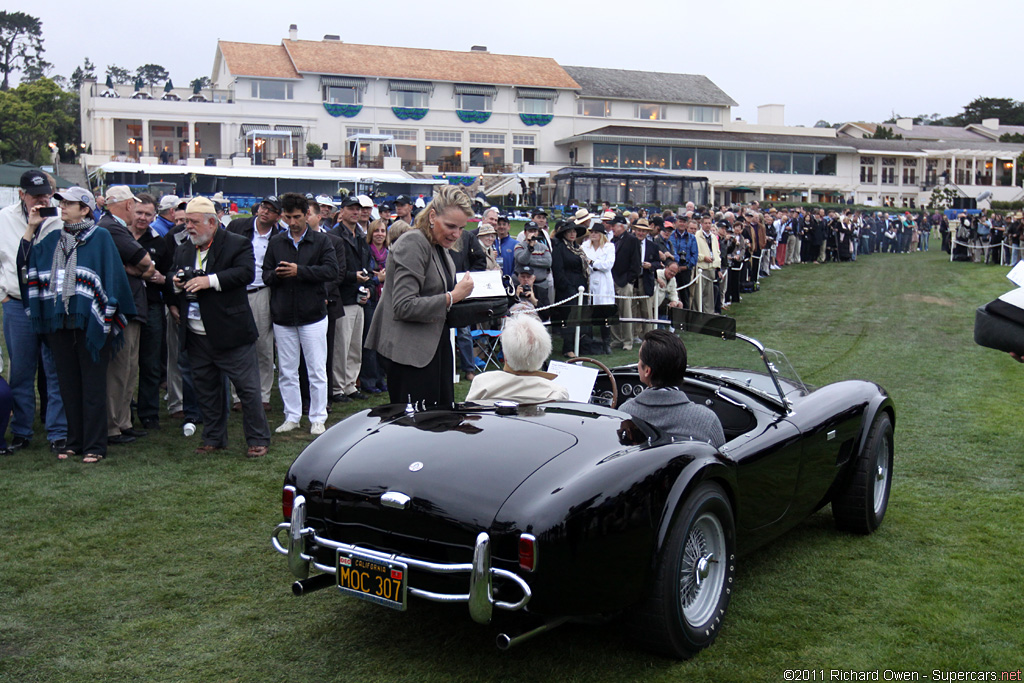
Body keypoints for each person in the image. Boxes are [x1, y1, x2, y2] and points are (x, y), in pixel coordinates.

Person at [18, 186, 136, 463]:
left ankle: (95, 445)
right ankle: (74, 441)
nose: (62, 207)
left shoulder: (100, 237)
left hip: (93, 322)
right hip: (60, 323)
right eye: (61, 202)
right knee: (68, 384)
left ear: (85, 209)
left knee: (94, 385)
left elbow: (113, 278)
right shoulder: (51, 240)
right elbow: (25, 264)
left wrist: (107, 314)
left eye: (69, 203)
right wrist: (31, 228)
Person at [171, 197, 272, 457]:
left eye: (193, 222)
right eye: (185, 222)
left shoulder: (236, 243)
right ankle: (214, 438)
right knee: (206, 390)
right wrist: (176, 283)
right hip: (196, 333)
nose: (188, 227)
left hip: (231, 332)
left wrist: (209, 281)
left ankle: (257, 439)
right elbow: (174, 276)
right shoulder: (184, 248)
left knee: (248, 389)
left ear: (213, 223)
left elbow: (245, 273)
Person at [365, 185, 475, 408]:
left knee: (439, 422)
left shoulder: (438, 245)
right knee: (418, 431)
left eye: (461, 228)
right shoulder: (414, 243)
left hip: (434, 348)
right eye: (451, 226)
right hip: (410, 356)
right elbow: (404, 306)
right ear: (432, 216)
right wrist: (452, 297)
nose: (456, 234)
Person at [0, 169, 68, 452]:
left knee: (54, 370)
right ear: (22, 195)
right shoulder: (4, 217)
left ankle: (58, 432)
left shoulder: (60, 219)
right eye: (35, 195)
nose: (41, 200)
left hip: (51, 303)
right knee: (22, 372)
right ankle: (22, 431)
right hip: (17, 302)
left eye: (45, 194)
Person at [263, 193, 339, 435]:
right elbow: (265, 274)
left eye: (296, 217)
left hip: (313, 314)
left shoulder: (321, 241)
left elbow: (331, 271)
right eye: (287, 217)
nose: (292, 222)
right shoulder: (276, 242)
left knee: (316, 369)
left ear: (307, 215)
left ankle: (318, 416)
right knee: (287, 369)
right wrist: (278, 274)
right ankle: (292, 415)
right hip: (284, 315)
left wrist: (300, 271)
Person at [99, 186, 155, 446]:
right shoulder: (112, 227)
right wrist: (137, 270)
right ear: (128, 205)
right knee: (119, 369)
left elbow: (145, 266)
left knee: (129, 368)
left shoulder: (113, 227)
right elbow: (145, 262)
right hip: (121, 307)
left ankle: (122, 422)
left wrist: (133, 269)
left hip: (131, 306)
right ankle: (112, 425)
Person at [619, 329, 725, 448]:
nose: (638, 364)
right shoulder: (707, 420)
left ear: (647, 371)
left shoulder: (625, 414)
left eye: (639, 359)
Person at [227, 196, 284, 410]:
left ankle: (263, 395)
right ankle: (239, 396)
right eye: (263, 207)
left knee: (263, 345)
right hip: (236, 288)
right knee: (237, 344)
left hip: (263, 290)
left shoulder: (279, 237)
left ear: (278, 216)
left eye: (271, 210)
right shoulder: (237, 226)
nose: (265, 212)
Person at [129, 193, 172, 430]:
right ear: (130, 212)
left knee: (151, 362)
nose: (143, 218)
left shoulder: (158, 241)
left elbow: (168, 275)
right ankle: (123, 410)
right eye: (139, 213)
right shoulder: (118, 236)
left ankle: (149, 413)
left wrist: (162, 278)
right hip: (124, 307)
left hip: (152, 305)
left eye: (148, 214)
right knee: (123, 363)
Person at [466, 313, 569, 403]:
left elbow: (470, 419)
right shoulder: (556, 393)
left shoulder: (482, 382)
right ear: (545, 354)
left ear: (505, 354)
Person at [329, 196, 372, 402]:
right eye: (352, 209)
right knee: (341, 346)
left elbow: (366, 265)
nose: (356, 212)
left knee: (355, 345)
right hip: (342, 297)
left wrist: (368, 284)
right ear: (342, 211)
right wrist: (352, 277)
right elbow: (333, 270)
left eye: (358, 209)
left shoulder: (361, 236)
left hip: (359, 296)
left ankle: (350, 384)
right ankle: (337, 388)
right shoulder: (334, 235)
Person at [550, 215, 590, 358]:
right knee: (569, 319)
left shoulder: (577, 248)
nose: (572, 234)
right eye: (569, 232)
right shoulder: (560, 248)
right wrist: (567, 287)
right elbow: (558, 270)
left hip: (581, 285)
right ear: (565, 234)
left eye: (574, 231)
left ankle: (577, 344)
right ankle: (568, 348)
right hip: (567, 288)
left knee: (579, 317)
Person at [360, 219, 389, 394]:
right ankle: (368, 379)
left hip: (384, 300)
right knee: (369, 343)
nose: (379, 234)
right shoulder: (366, 252)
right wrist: (377, 279)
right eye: (376, 230)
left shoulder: (389, 253)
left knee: (382, 344)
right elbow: (363, 276)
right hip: (370, 300)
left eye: (383, 231)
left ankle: (380, 377)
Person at [581, 220, 615, 355]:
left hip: (603, 282)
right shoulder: (584, 246)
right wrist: (593, 264)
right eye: (592, 232)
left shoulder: (609, 247)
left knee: (604, 312)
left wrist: (593, 263)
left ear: (601, 234)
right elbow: (583, 262)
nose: (593, 234)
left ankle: (606, 342)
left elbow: (608, 265)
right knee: (589, 311)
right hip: (589, 280)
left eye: (596, 232)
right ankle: (589, 342)